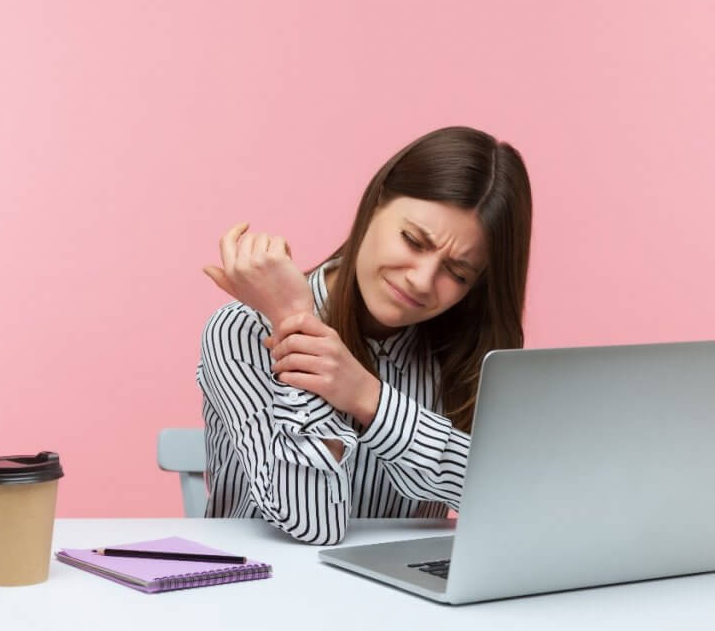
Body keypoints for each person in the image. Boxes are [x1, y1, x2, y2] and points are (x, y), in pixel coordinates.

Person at [196, 125, 532, 545]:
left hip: (412, 599)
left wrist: (368, 398)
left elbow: (512, 497)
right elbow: (312, 522)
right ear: (374, 205)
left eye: (458, 273)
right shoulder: (243, 329)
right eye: (413, 240)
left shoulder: (464, 353)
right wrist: (296, 321)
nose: (422, 281)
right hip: (269, 591)